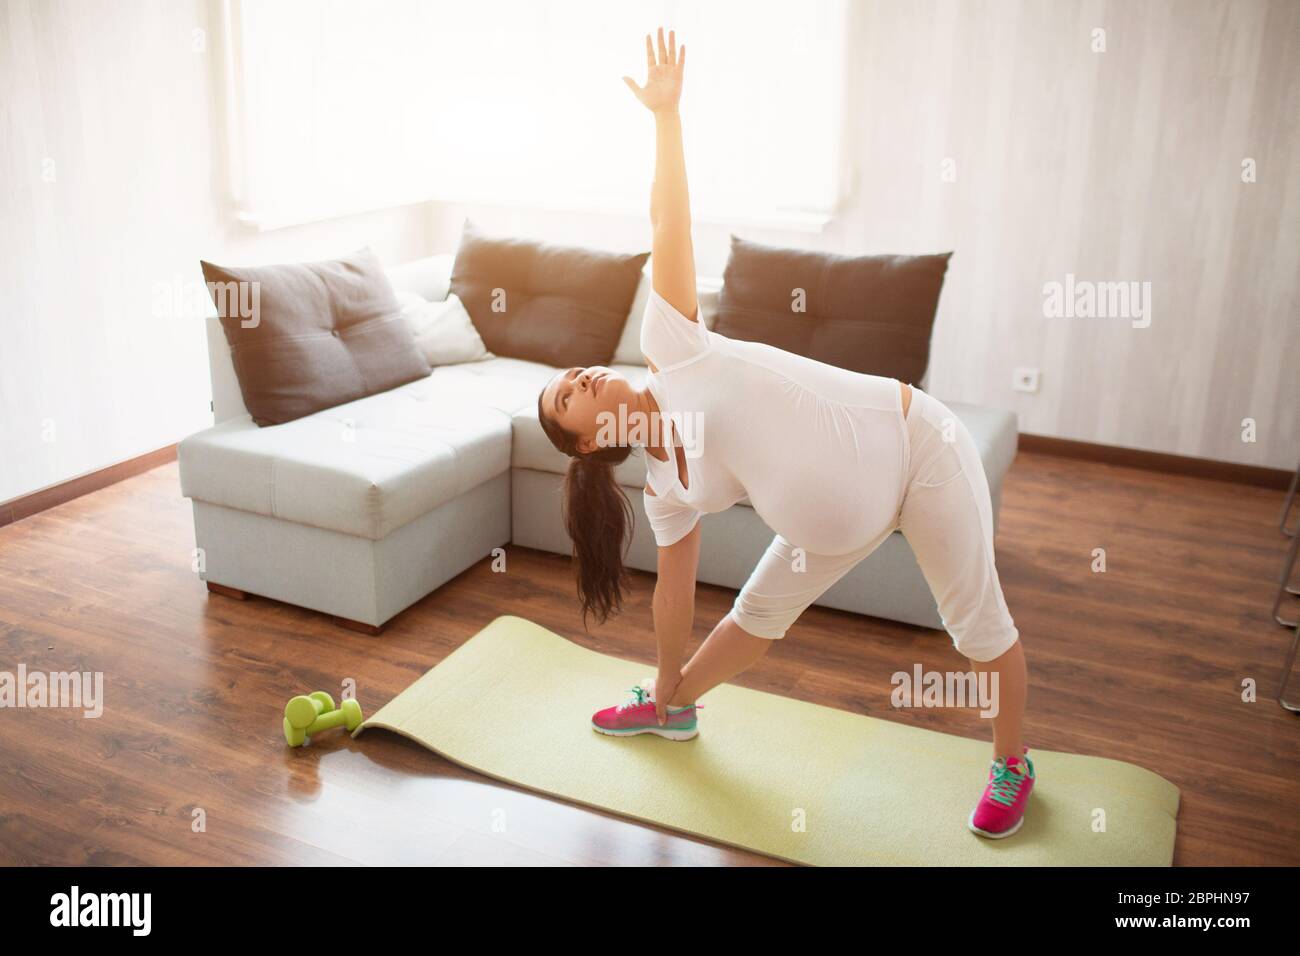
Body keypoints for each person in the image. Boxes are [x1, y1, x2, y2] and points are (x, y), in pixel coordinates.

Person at [536, 28, 1034, 839]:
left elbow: (670, 223)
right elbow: (674, 593)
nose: (581, 380)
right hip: (823, 534)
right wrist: (665, 675)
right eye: (567, 400)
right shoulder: (668, 488)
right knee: (750, 620)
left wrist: (666, 120)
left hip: (918, 455)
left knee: (975, 627)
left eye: (574, 374)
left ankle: (1013, 761)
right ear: (590, 445)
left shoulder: (675, 346)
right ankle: (673, 711)